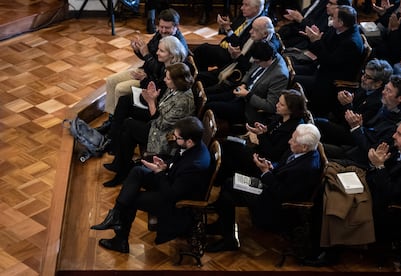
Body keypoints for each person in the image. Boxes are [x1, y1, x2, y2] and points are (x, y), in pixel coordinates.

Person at [90, 116, 211, 252]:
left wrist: (159, 172)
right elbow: (177, 163)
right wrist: (165, 166)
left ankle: (120, 241)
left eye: (177, 138)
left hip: (175, 202)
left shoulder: (195, 164)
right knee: (137, 171)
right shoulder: (192, 146)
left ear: (189, 141)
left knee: (132, 199)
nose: (174, 139)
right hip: (171, 181)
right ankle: (115, 215)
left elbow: (171, 194)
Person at [205, 124, 322, 252]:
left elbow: (283, 194)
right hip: (270, 187)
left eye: (293, 140)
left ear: (304, 147)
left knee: (230, 188)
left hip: (275, 204)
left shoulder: (306, 168)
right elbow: (282, 165)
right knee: (229, 182)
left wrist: (266, 173)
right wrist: (270, 166)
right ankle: (223, 228)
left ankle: (228, 238)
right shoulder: (300, 150)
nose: (289, 141)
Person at [103, 62, 195, 187]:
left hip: (167, 138)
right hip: (157, 127)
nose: (164, 80)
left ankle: (121, 169)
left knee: (128, 126)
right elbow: (161, 112)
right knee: (127, 128)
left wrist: (151, 102)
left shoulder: (184, 101)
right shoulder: (175, 89)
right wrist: (155, 98)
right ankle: (122, 168)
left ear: (177, 81)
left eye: (167, 78)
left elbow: (162, 125)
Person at [96, 8, 188, 133]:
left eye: (167, 28)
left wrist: (146, 56)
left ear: (176, 27)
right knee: (111, 81)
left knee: (120, 89)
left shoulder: (177, 46)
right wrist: (138, 49)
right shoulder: (160, 34)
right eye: (161, 27)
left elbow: (161, 74)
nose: (163, 30)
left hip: (151, 80)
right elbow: (148, 52)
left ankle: (118, 125)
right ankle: (112, 120)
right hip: (146, 71)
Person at [215, 89, 310, 184]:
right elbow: (270, 129)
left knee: (231, 147)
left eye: (281, 104)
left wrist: (261, 134)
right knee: (228, 142)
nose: (276, 105)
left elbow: (273, 154)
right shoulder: (283, 116)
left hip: (265, 162)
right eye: (278, 102)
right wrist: (263, 129)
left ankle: (218, 181)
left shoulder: (294, 129)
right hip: (260, 149)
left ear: (291, 110)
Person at [323, 75, 401, 167]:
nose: (383, 92)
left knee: (321, 160)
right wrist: (359, 126)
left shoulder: (398, 127)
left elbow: (371, 152)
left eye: (388, 91)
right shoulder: (385, 108)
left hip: (362, 162)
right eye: (385, 88)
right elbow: (368, 131)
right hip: (354, 149)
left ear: (400, 98)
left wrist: (356, 128)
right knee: (318, 146)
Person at [294, 5, 364, 117]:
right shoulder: (336, 29)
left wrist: (316, 41)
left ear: (341, 23)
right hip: (319, 67)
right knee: (289, 70)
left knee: (292, 79)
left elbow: (329, 61)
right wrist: (313, 38)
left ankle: (298, 113)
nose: (330, 18)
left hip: (330, 79)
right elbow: (323, 45)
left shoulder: (351, 43)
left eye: (333, 17)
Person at [204, 40, 289, 126]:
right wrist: (244, 83)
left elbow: (270, 106)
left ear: (270, 59)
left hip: (249, 108)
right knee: (206, 98)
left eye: (258, 62)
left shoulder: (280, 75)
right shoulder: (263, 56)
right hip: (241, 93)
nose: (256, 64)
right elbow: (249, 72)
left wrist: (247, 95)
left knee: (210, 106)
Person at [316, 59, 394, 145]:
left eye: (367, 77)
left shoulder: (378, 102)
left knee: (318, 123)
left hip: (352, 135)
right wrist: (345, 99)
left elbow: (354, 124)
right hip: (342, 121)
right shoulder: (366, 87)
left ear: (378, 83)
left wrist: (347, 105)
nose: (363, 78)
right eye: (364, 74)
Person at [202, 16, 281, 90]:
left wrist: (238, 56)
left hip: (239, 78)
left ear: (265, 34)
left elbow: (251, 69)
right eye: (251, 28)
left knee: (204, 88)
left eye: (254, 30)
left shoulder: (267, 48)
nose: (250, 32)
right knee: (201, 75)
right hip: (233, 67)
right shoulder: (259, 36)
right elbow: (240, 44)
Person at [367, 120, 401, 243]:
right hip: (375, 188)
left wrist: (380, 166)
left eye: (399, 134)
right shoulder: (396, 149)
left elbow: (391, 193)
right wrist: (375, 162)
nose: (394, 136)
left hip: (391, 209)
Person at [193, 0, 265, 75]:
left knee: (203, 50)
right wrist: (224, 26)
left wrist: (228, 29)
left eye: (246, 5)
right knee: (201, 51)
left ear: (256, 8)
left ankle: (198, 77)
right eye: (242, 4)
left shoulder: (258, 25)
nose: (241, 8)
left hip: (233, 55)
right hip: (225, 45)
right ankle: (200, 75)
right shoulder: (246, 15)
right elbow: (232, 30)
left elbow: (239, 46)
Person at [373, 0, 401, 73]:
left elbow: (398, 53)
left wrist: (394, 30)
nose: (400, 11)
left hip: (395, 60)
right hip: (385, 50)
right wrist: (390, 29)